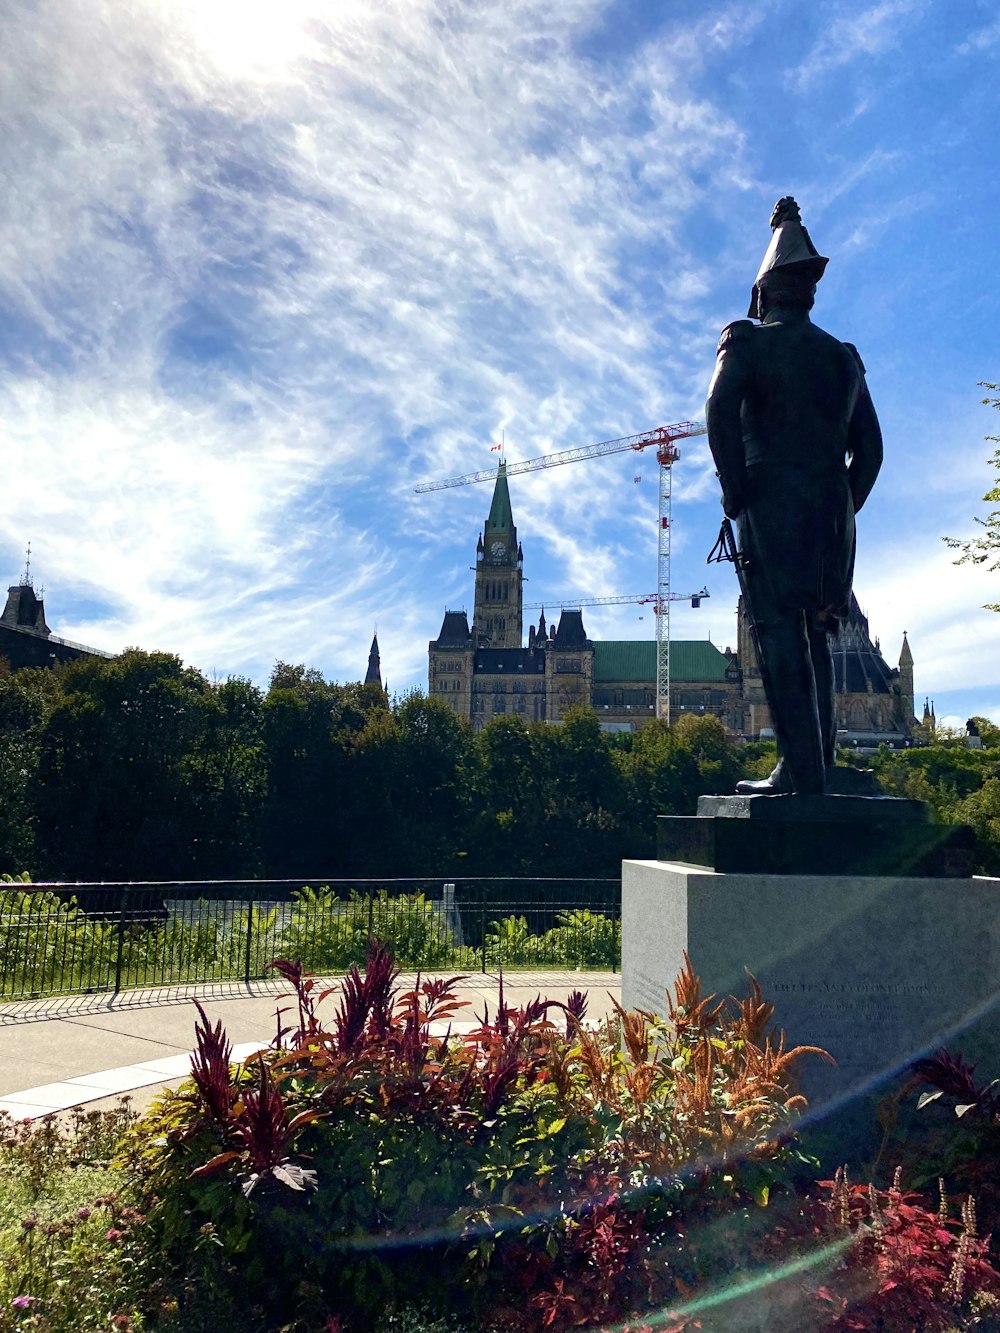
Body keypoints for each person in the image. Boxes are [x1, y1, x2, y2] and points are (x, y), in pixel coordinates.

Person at [705, 197, 884, 794]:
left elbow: (718, 408)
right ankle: (821, 767)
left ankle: (797, 769)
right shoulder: (843, 358)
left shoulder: (747, 342)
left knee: (777, 628)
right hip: (832, 506)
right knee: (819, 630)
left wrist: (737, 492)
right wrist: (841, 504)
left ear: (763, 292)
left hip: (770, 494)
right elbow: (873, 450)